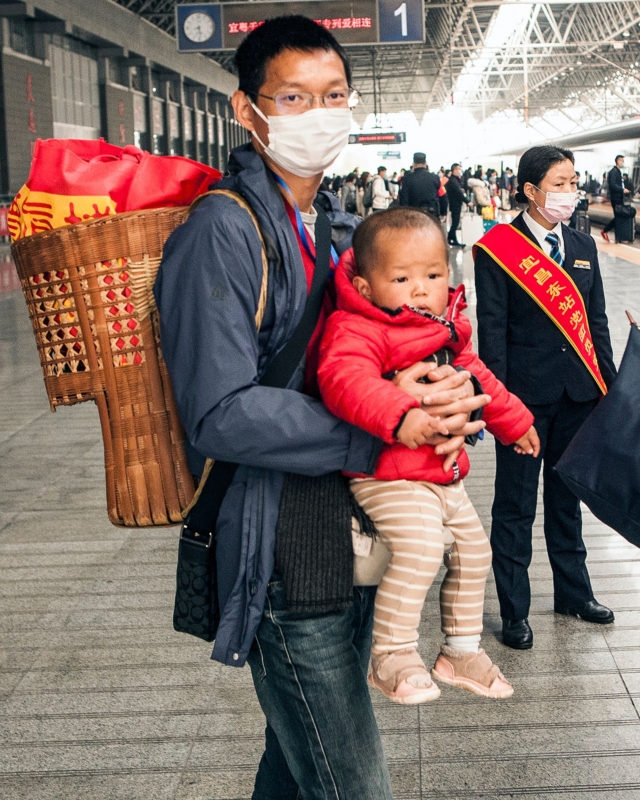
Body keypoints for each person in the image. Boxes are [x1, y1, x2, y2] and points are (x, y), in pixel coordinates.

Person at [154, 16, 488, 799]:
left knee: (296, 769)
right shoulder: (222, 233)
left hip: (344, 533)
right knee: (351, 783)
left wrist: (431, 385)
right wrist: (382, 424)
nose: (320, 114)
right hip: (282, 554)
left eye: (333, 95)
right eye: (294, 98)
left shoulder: (330, 225)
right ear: (248, 111)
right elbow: (220, 413)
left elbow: (362, 354)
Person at [317, 208, 539, 705]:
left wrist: (515, 420)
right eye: (402, 278)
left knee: (474, 553)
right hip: (388, 477)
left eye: (434, 275)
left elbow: (478, 377)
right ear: (366, 286)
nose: (421, 289)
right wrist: (401, 415)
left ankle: (459, 650)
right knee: (419, 550)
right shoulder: (356, 328)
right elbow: (343, 380)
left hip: (442, 476)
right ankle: (390, 654)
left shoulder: (445, 329)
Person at [473, 145, 618, 651]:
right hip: (524, 402)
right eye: (560, 183)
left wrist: (610, 386)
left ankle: (574, 594)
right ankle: (514, 611)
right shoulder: (497, 247)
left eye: (573, 180)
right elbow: (492, 333)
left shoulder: (582, 244)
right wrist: (500, 406)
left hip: (577, 392)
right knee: (514, 507)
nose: (570, 191)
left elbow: (594, 321)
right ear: (531, 190)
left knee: (566, 500)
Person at [393, 151, 441, 216]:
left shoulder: (406, 179)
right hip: (432, 214)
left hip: (414, 215)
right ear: (425, 163)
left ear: (413, 164)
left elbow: (404, 199)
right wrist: (443, 213)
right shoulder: (435, 178)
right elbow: (442, 196)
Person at [601, 154, 628, 243]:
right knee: (618, 217)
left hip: (619, 197)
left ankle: (618, 237)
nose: (623, 163)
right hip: (616, 198)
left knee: (619, 217)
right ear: (618, 161)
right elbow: (612, 185)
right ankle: (605, 231)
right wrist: (622, 189)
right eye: (622, 161)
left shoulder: (618, 171)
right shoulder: (613, 172)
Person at [445, 163, 468, 246]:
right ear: (454, 170)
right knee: (455, 221)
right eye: (458, 169)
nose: (460, 170)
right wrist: (467, 201)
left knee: (455, 221)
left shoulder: (455, 179)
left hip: (456, 203)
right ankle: (451, 238)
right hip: (455, 203)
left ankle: (452, 238)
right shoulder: (453, 180)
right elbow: (458, 193)